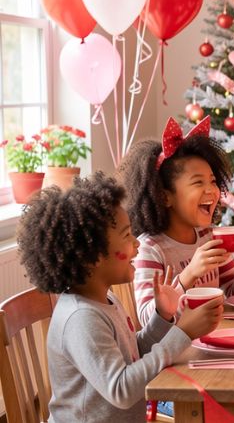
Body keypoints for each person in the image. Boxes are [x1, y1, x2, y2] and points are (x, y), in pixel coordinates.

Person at [16, 173, 222, 422]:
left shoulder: (106, 300)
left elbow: (132, 355)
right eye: (126, 236)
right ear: (93, 255)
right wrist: (183, 333)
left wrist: (161, 318)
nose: (137, 244)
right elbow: (121, 390)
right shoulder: (81, 318)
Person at [117, 117, 234, 325]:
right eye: (198, 182)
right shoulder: (150, 249)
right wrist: (189, 275)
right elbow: (148, 321)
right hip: (177, 345)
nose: (211, 190)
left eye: (213, 181)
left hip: (213, 336)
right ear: (165, 197)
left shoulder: (209, 236)